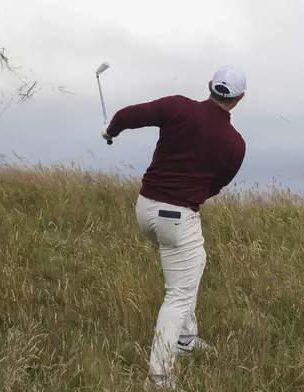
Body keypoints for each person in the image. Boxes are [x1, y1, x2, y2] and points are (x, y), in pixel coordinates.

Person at [101, 65, 247, 390]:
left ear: (210, 86)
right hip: (178, 217)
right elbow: (217, 184)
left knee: (193, 265)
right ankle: (159, 377)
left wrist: (110, 131)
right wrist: (193, 196)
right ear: (239, 98)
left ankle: (186, 339)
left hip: (145, 209)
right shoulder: (235, 144)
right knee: (179, 294)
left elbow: (127, 116)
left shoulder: (178, 107)